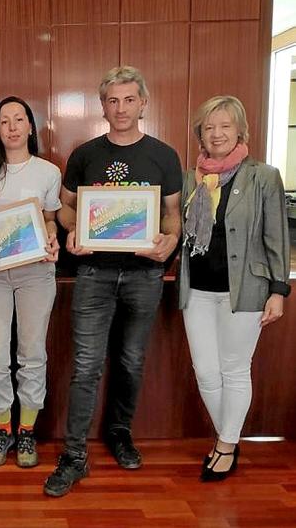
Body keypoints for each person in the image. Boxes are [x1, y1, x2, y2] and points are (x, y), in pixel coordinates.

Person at [44, 66, 183, 497]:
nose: (120, 108)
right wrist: (72, 231)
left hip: (145, 274)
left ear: (143, 103)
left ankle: (119, 433)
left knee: (131, 361)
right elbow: (66, 208)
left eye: (128, 99)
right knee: (86, 365)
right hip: (93, 273)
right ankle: (74, 455)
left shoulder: (164, 155)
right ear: (102, 106)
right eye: (112, 100)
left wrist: (171, 238)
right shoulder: (85, 154)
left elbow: (172, 213)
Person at [179, 96, 291, 481]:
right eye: (209, 127)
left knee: (234, 369)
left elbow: (276, 235)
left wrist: (279, 289)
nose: (217, 133)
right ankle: (229, 436)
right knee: (206, 372)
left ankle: (225, 445)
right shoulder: (189, 178)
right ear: (200, 135)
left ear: (240, 130)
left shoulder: (263, 175)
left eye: (225, 125)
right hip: (197, 291)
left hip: (246, 290)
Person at [0, 96, 60, 468]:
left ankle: (26, 433)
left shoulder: (48, 172)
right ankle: (2, 428)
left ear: (30, 126)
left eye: (19, 119)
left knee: (32, 355)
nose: (13, 127)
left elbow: (50, 220)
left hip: (36, 272)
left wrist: (51, 237)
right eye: (5, 121)